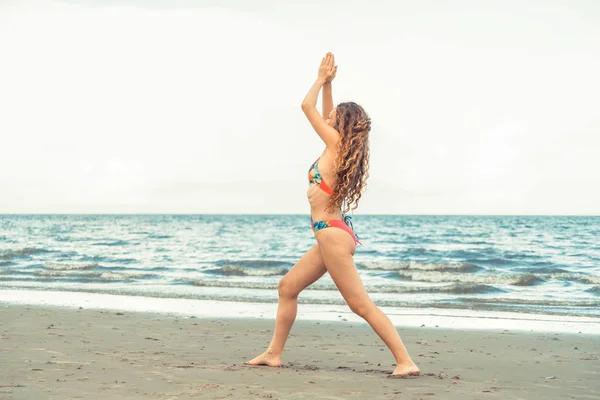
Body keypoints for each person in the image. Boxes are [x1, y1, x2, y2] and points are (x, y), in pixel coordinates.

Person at [245, 52, 420, 377]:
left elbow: (307, 108)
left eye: (334, 116)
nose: (328, 118)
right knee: (288, 287)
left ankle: (405, 361)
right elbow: (325, 111)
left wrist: (320, 80)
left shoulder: (336, 145)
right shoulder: (336, 147)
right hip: (330, 233)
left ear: (341, 125)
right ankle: (273, 353)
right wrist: (330, 86)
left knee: (359, 304)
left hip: (333, 236)